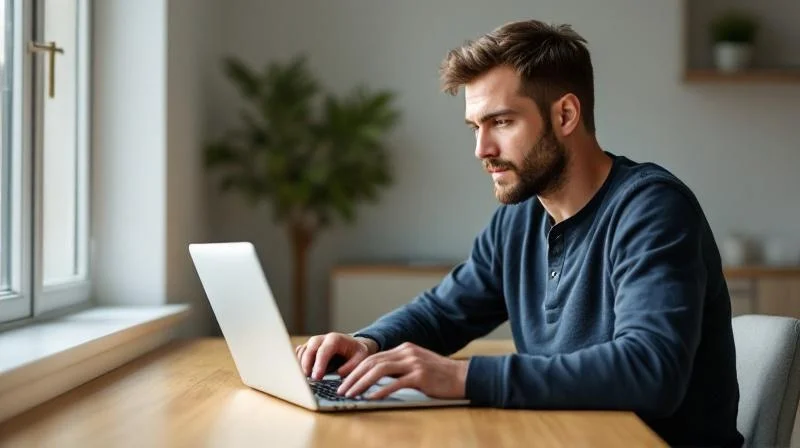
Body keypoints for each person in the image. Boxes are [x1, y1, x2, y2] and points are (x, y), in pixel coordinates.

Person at [295, 19, 744, 447]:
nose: (482, 149)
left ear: (566, 114)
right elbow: (445, 312)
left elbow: (650, 371)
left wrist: (462, 377)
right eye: (476, 127)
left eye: (502, 122)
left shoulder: (652, 210)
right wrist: (366, 342)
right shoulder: (521, 217)